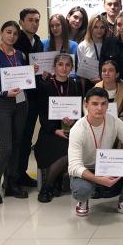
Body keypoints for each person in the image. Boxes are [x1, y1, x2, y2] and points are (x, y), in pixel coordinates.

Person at [67, 87, 123, 218]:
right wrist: (98, 179)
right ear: (86, 105)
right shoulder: (77, 129)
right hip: (86, 169)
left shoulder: (113, 121)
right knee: (82, 191)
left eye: (103, 104)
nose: (99, 108)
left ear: (108, 105)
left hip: (107, 165)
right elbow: (74, 167)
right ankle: (83, 200)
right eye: (95, 104)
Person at [0, 20, 31, 203]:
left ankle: (10, 183)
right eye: (8, 32)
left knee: (17, 144)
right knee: (6, 147)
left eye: (15, 33)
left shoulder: (21, 55)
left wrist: (30, 73)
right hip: (2, 103)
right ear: (1, 33)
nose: (12, 36)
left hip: (21, 103)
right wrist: (2, 92)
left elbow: (24, 79)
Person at [34, 53, 81, 203]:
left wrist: (73, 121)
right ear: (54, 66)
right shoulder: (46, 85)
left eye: (67, 65)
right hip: (50, 131)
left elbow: (79, 110)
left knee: (71, 149)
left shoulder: (75, 84)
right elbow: (42, 113)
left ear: (72, 68)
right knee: (58, 148)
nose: (64, 68)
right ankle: (49, 186)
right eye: (60, 64)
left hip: (69, 130)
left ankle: (51, 183)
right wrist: (55, 130)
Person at [14, 8, 44, 188]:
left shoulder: (38, 42)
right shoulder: (16, 40)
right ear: (21, 22)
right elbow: (11, 69)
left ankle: (21, 173)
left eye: (37, 20)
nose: (34, 23)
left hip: (34, 97)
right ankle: (12, 177)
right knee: (17, 138)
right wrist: (27, 71)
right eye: (30, 20)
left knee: (27, 137)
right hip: (18, 96)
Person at [77, 13, 108, 89]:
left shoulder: (110, 44)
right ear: (90, 28)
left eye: (102, 27)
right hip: (90, 85)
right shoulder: (83, 46)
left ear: (105, 29)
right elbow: (82, 74)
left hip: (108, 83)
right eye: (96, 27)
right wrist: (83, 92)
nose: (99, 30)